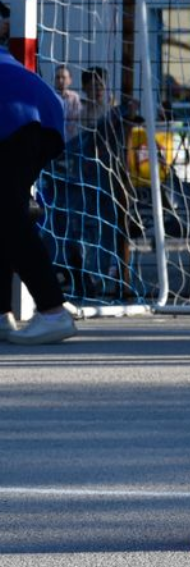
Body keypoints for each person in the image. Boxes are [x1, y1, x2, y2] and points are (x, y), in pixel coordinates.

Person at [1, 48, 78, 345]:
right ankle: (2, 315)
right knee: (5, 216)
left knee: (8, 217)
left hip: (13, 115)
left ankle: (52, 311)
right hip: (43, 111)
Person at [50, 66, 83, 139]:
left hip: (71, 139)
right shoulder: (50, 97)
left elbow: (80, 118)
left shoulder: (75, 97)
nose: (60, 80)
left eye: (63, 77)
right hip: (53, 138)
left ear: (70, 80)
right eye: (57, 77)